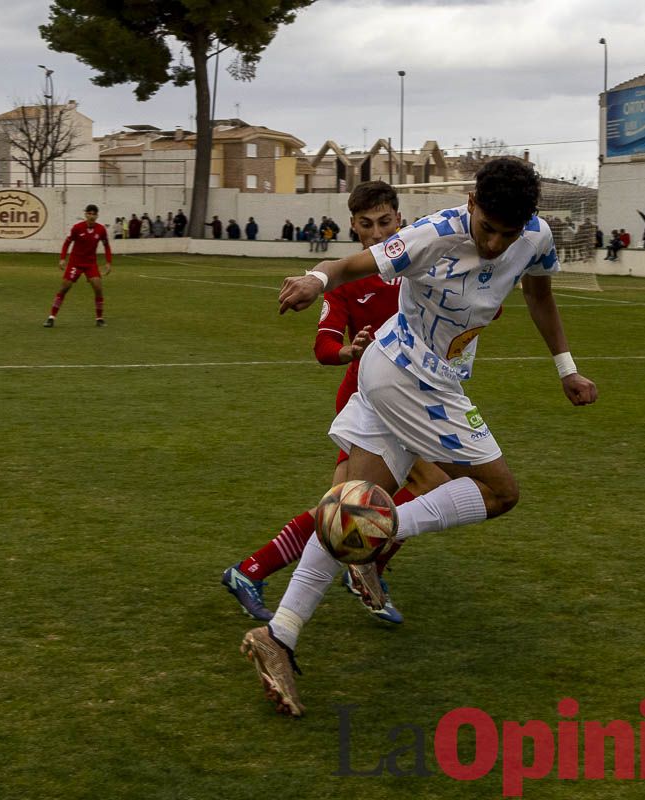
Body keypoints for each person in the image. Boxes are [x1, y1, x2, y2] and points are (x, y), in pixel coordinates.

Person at [240, 157, 597, 717]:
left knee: (345, 507)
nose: (498, 243)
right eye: (488, 228)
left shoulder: (536, 235)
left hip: (406, 373)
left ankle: (278, 635)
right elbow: (351, 263)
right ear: (472, 204)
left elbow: (540, 296)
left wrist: (566, 367)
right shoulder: (433, 233)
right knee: (500, 492)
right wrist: (314, 279)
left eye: (510, 232)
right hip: (412, 376)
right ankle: (380, 529)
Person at [222, 181, 455, 625]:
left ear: (399, 220)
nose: (376, 233)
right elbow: (325, 345)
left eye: (384, 222)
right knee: (427, 485)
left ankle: (252, 570)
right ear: (352, 226)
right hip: (366, 397)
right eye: (366, 225)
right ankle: (366, 566)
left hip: (412, 394)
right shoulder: (347, 277)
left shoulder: (418, 264)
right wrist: (351, 350)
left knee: (342, 506)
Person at [44, 204, 113, 328]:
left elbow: (106, 245)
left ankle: (99, 318)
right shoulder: (77, 228)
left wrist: (108, 262)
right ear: (85, 214)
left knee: (98, 287)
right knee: (65, 287)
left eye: (94, 214)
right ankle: (51, 317)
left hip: (90, 264)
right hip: (75, 263)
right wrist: (62, 259)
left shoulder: (101, 230)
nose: (91, 216)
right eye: (89, 213)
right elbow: (67, 243)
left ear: (97, 216)